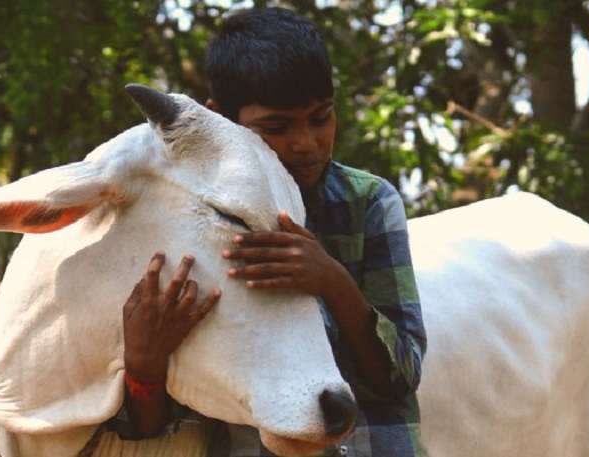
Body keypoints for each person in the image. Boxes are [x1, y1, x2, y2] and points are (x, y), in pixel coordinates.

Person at [113, 7, 427, 456]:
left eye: (321, 118)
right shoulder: (190, 220)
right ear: (219, 118)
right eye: (276, 127)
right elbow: (163, 426)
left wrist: (333, 281)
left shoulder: (370, 204)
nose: (306, 142)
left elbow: (402, 376)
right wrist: (144, 367)